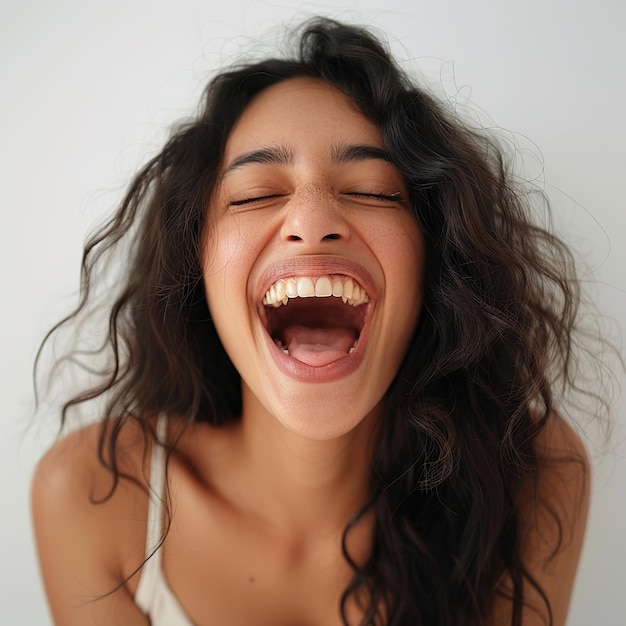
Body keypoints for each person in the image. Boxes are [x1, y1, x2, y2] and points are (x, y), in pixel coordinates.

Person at [31, 17, 592, 626]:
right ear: (195, 264)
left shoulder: (530, 475)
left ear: (436, 256)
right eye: (252, 195)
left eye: (375, 190)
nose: (312, 220)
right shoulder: (92, 495)